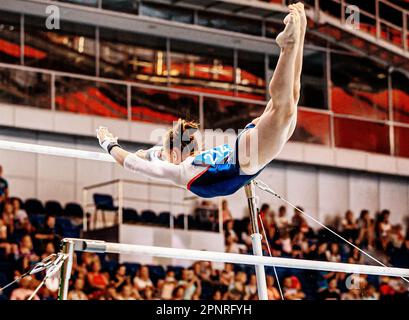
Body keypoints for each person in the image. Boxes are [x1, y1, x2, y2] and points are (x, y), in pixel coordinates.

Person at [96, 3, 306, 199]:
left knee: (283, 107)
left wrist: (108, 143)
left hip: (245, 159)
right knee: (289, 101)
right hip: (243, 150)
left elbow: (133, 163)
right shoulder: (190, 159)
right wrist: (147, 153)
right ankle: (300, 29)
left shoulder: (180, 171)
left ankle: (289, 46)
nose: (163, 157)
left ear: (176, 153)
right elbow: (152, 154)